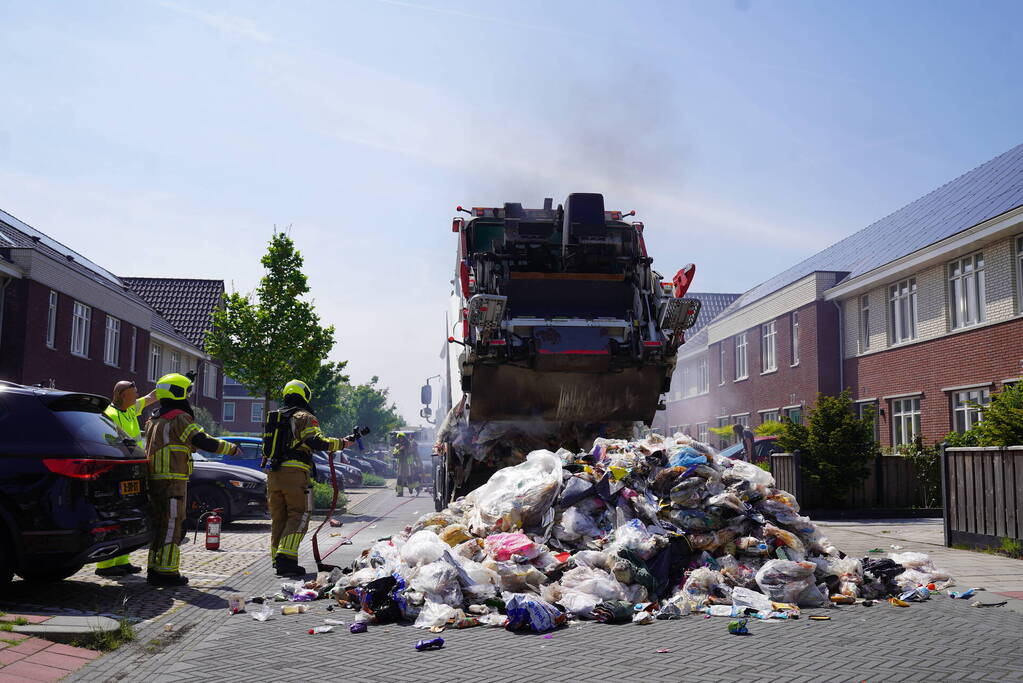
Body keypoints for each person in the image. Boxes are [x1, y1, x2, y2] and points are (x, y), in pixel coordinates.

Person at [145, 373, 239, 586]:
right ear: (178, 393)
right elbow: (201, 439)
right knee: (172, 524)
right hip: (172, 479)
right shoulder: (179, 417)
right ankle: (167, 573)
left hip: (155, 478)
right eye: (186, 391)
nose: (188, 396)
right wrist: (230, 449)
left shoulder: (154, 417)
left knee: (159, 525)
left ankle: (154, 568)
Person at [268, 380, 354, 577]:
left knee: (279, 518)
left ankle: (277, 560)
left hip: (273, 475)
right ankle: (286, 560)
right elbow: (315, 441)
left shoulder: (275, 417)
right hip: (295, 474)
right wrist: (341, 443)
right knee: (300, 514)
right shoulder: (304, 417)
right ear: (305, 395)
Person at [96, 380, 158, 577]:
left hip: (130, 468)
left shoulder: (130, 409)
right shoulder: (110, 414)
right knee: (114, 514)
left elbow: (150, 398)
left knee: (126, 514)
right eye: (134, 392)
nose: (137, 394)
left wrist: (168, 387)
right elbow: (109, 440)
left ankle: (122, 560)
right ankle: (105, 565)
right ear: (123, 395)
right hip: (116, 469)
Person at [393, 432, 421, 497]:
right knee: (400, 478)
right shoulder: (397, 446)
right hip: (401, 464)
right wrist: (399, 449)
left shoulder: (409, 445)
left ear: (404, 438)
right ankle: (400, 493)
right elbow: (394, 454)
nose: (400, 439)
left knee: (410, 477)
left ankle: (414, 488)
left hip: (409, 464)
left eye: (401, 438)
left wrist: (418, 463)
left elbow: (414, 453)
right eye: (399, 438)